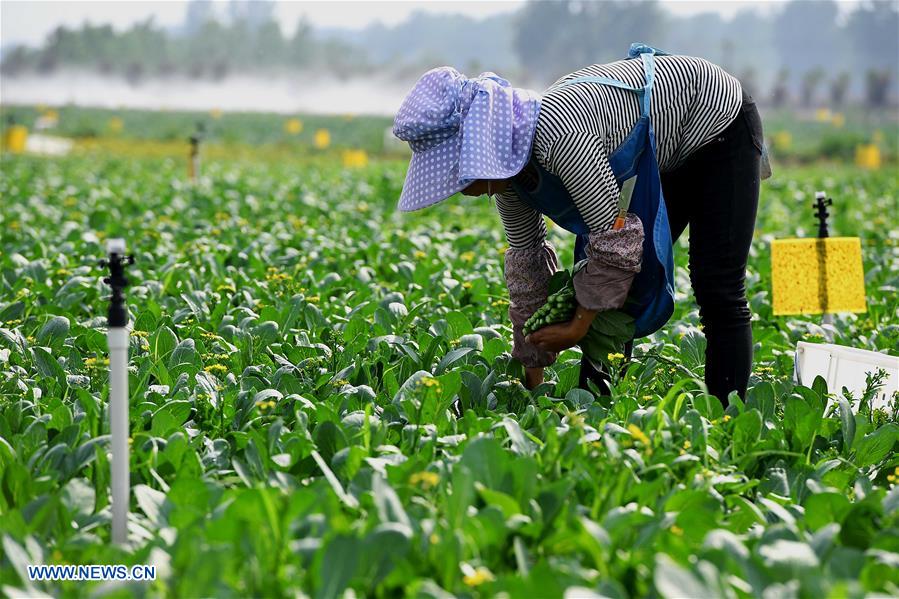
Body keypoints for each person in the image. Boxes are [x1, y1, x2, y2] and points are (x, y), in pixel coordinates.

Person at [392, 43, 768, 406]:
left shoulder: (561, 137)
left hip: (718, 123)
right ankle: (597, 409)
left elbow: (615, 244)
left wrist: (576, 327)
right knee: (613, 282)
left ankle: (727, 420)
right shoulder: (505, 174)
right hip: (664, 141)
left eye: (458, 173)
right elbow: (528, 266)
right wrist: (531, 368)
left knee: (716, 284)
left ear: (480, 147)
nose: (461, 188)